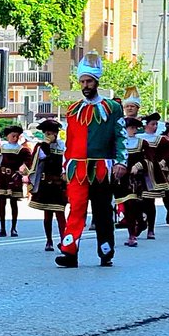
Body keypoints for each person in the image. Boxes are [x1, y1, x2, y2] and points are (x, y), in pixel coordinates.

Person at [55, 52, 127, 268]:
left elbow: (121, 136)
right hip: (76, 168)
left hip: (102, 168)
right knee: (75, 208)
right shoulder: (73, 109)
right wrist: (64, 165)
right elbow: (69, 141)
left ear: (96, 82)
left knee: (103, 211)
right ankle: (69, 252)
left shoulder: (112, 108)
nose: (85, 85)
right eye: (82, 82)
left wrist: (121, 162)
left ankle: (105, 251)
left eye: (89, 81)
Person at [137, 113, 169, 241]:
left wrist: (163, 161)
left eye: (156, 124)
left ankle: (151, 229)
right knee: (136, 202)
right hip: (137, 173)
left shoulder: (161, 139)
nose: (155, 126)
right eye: (152, 124)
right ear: (146, 125)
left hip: (153, 173)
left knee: (150, 202)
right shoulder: (138, 138)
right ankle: (139, 224)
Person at [28, 119, 67, 252]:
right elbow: (41, 159)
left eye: (53, 133)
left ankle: (64, 240)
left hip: (59, 184)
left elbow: (67, 162)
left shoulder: (63, 146)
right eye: (47, 133)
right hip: (46, 184)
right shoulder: (41, 146)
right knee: (47, 214)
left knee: (60, 213)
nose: (50, 135)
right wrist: (46, 143)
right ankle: (49, 240)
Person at [0, 125, 30, 238]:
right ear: (7, 136)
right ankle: (2, 228)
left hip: (14, 177)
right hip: (3, 178)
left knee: (14, 203)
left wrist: (21, 172)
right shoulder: (1, 148)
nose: (15, 137)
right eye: (12, 135)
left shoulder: (22, 150)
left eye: (17, 136)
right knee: (2, 203)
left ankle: (13, 228)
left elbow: (29, 162)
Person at [116, 117, 147, 248]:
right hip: (122, 179)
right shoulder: (119, 143)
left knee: (136, 206)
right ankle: (131, 235)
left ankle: (141, 223)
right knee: (128, 207)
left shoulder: (141, 143)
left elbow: (149, 159)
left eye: (135, 128)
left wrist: (139, 166)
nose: (133, 130)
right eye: (131, 128)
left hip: (136, 180)